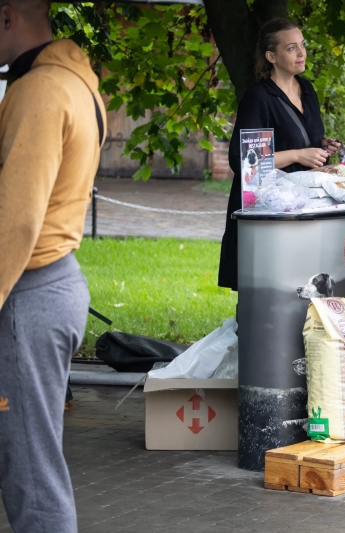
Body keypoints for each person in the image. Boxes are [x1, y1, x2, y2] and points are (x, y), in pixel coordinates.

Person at [0, 1, 106, 531]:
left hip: (27, 290)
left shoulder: (39, 90)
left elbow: (15, 221)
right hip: (51, 284)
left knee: (32, 477)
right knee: (27, 462)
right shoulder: (74, 80)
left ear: (7, 15)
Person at [218, 18, 341, 291]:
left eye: (303, 46)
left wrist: (322, 145)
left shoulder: (306, 89)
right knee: (271, 294)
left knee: (307, 288)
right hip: (270, 212)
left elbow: (303, 135)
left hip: (306, 205)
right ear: (271, 56)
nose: (301, 53)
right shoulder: (258, 97)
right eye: (291, 48)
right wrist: (298, 154)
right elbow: (244, 162)